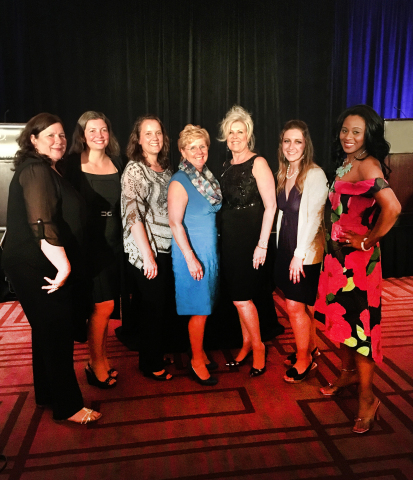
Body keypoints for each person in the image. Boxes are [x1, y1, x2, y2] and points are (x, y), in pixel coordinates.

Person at [1, 113, 101, 424]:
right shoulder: (36, 171)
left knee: (46, 330)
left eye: (61, 135)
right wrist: (63, 266)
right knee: (56, 331)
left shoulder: (46, 169)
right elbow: (41, 224)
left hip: (35, 261)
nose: (58, 141)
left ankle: (48, 393)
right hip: (38, 264)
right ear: (32, 139)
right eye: (50, 135)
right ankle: (68, 407)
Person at [315, 105, 401, 433]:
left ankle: (368, 399)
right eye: (345, 130)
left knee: (361, 332)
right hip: (338, 261)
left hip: (359, 267)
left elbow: (392, 208)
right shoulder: (347, 162)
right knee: (341, 323)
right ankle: (347, 374)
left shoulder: (369, 165)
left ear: (369, 135)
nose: (348, 137)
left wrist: (367, 241)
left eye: (357, 132)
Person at [62, 111, 123, 389]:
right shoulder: (72, 165)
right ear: (82, 136)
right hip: (88, 248)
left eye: (103, 129)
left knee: (107, 308)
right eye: (92, 130)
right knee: (102, 306)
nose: (99, 135)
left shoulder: (118, 163)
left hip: (114, 246)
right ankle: (94, 363)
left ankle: (102, 358)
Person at [219, 105, 276, 377]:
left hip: (249, 240)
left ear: (248, 134)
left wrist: (262, 244)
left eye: (240, 132)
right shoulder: (225, 166)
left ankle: (259, 347)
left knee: (243, 298)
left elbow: (271, 206)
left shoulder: (259, 162)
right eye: (231, 132)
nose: (235, 137)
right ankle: (246, 343)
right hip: (228, 241)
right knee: (236, 298)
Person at [274, 120, 328, 383]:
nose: (291, 146)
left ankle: (304, 359)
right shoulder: (284, 172)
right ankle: (311, 347)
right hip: (285, 247)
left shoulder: (314, 174)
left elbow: (315, 218)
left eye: (297, 141)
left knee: (295, 305)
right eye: (287, 141)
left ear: (306, 145)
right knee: (300, 304)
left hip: (303, 251)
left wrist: (299, 255)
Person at [121, 114, 174, 381]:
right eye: (148, 133)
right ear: (138, 140)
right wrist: (147, 256)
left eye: (158, 133)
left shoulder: (166, 169)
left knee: (157, 307)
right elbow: (133, 215)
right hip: (147, 251)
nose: (154, 138)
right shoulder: (135, 170)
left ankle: (152, 354)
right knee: (152, 308)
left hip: (167, 250)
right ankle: (151, 364)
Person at [168, 124, 222, 386]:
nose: (199, 151)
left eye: (203, 146)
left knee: (206, 306)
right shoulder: (180, 180)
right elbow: (175, 223)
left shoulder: (206, 177)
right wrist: (190, 257)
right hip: (191, 252)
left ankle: (199, 352)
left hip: (208, 250)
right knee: (199, 309)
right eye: (193, 147)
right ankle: (196, 360)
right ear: (182, 151)